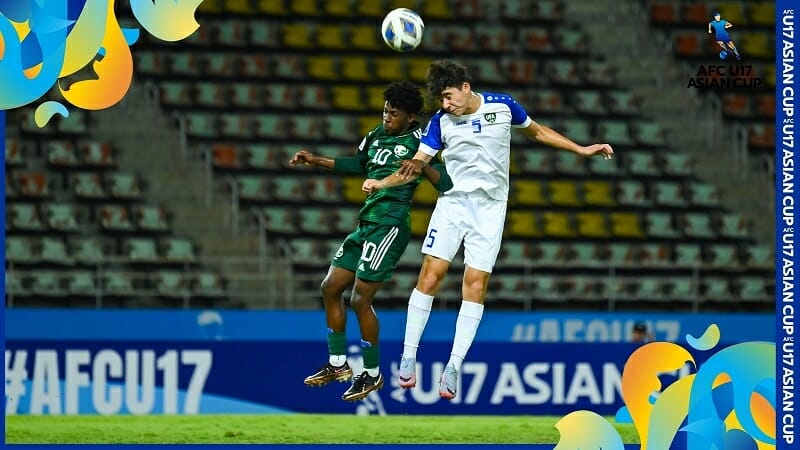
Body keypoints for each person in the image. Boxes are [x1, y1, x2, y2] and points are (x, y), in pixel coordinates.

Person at [368, 60, 614, 400]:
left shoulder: (504, 106)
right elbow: (418, 164)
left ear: (466, 87)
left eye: (449, 96)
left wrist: (581, 148)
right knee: (430, 275)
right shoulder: (441, 122)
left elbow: (538, 132)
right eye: (440, 99)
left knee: (476, 284)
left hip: (489, 210)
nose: (445, 104)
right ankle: (408, 357)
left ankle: (453, 366)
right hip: (453, 204)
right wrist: (382, 183)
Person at [290, 81, 453, 402]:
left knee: (360, 300)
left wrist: (423, 164)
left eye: (394, 113)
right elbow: (357, 164)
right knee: (330, 287)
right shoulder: (376, 136)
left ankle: (373, 374)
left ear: (410, 117)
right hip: (366, 223)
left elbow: (445, 183)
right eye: (385, 111)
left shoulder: (420, 143)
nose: (387, 117)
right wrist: (315, 160)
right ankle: (338, 364)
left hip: (389, 225)